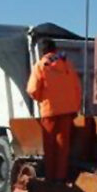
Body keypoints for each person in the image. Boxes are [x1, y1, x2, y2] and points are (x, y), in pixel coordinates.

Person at [26, 38, 82, 182]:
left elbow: (32, 90)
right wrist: (75, 107)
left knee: (50, 146)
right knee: (63, 147)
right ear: (55, 50)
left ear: (42, 51)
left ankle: (50, 178)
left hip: (49, 112)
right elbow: (77, 88)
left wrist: (42, 99)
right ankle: (60, 178)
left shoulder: (40, 66)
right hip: (67, 112)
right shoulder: (67, 64)